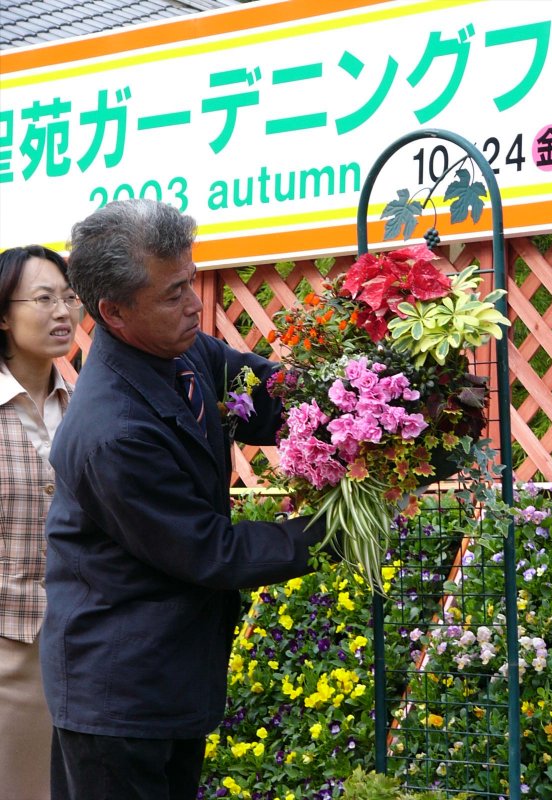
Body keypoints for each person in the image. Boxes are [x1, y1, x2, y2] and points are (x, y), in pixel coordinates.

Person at [40, 199, 333, 800]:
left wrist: (369, 405)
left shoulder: (184, 352)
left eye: (191, 281)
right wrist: (335, 530)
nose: (195, 304)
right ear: (114, 312)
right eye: (173, 293)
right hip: (118, 693)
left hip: (170, 673)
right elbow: (210, 550)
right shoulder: (112, 431)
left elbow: (270, 397)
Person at [0, 245, 79, 800]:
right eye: (44, 298)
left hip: (78, 652)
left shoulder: (82, 407)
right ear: (4, 316)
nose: (62, 312)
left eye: (69, 298)